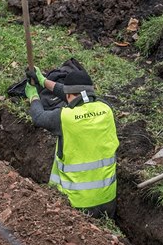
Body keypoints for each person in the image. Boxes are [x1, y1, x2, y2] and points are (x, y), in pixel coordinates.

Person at [24, 66, 119, 218]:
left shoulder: (65, 117)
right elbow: (74, 94)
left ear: (68, 96)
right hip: (108, 200)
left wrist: (33, 95)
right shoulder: (106, 109)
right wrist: (44, 81)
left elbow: (39, 117)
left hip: (77, 204)